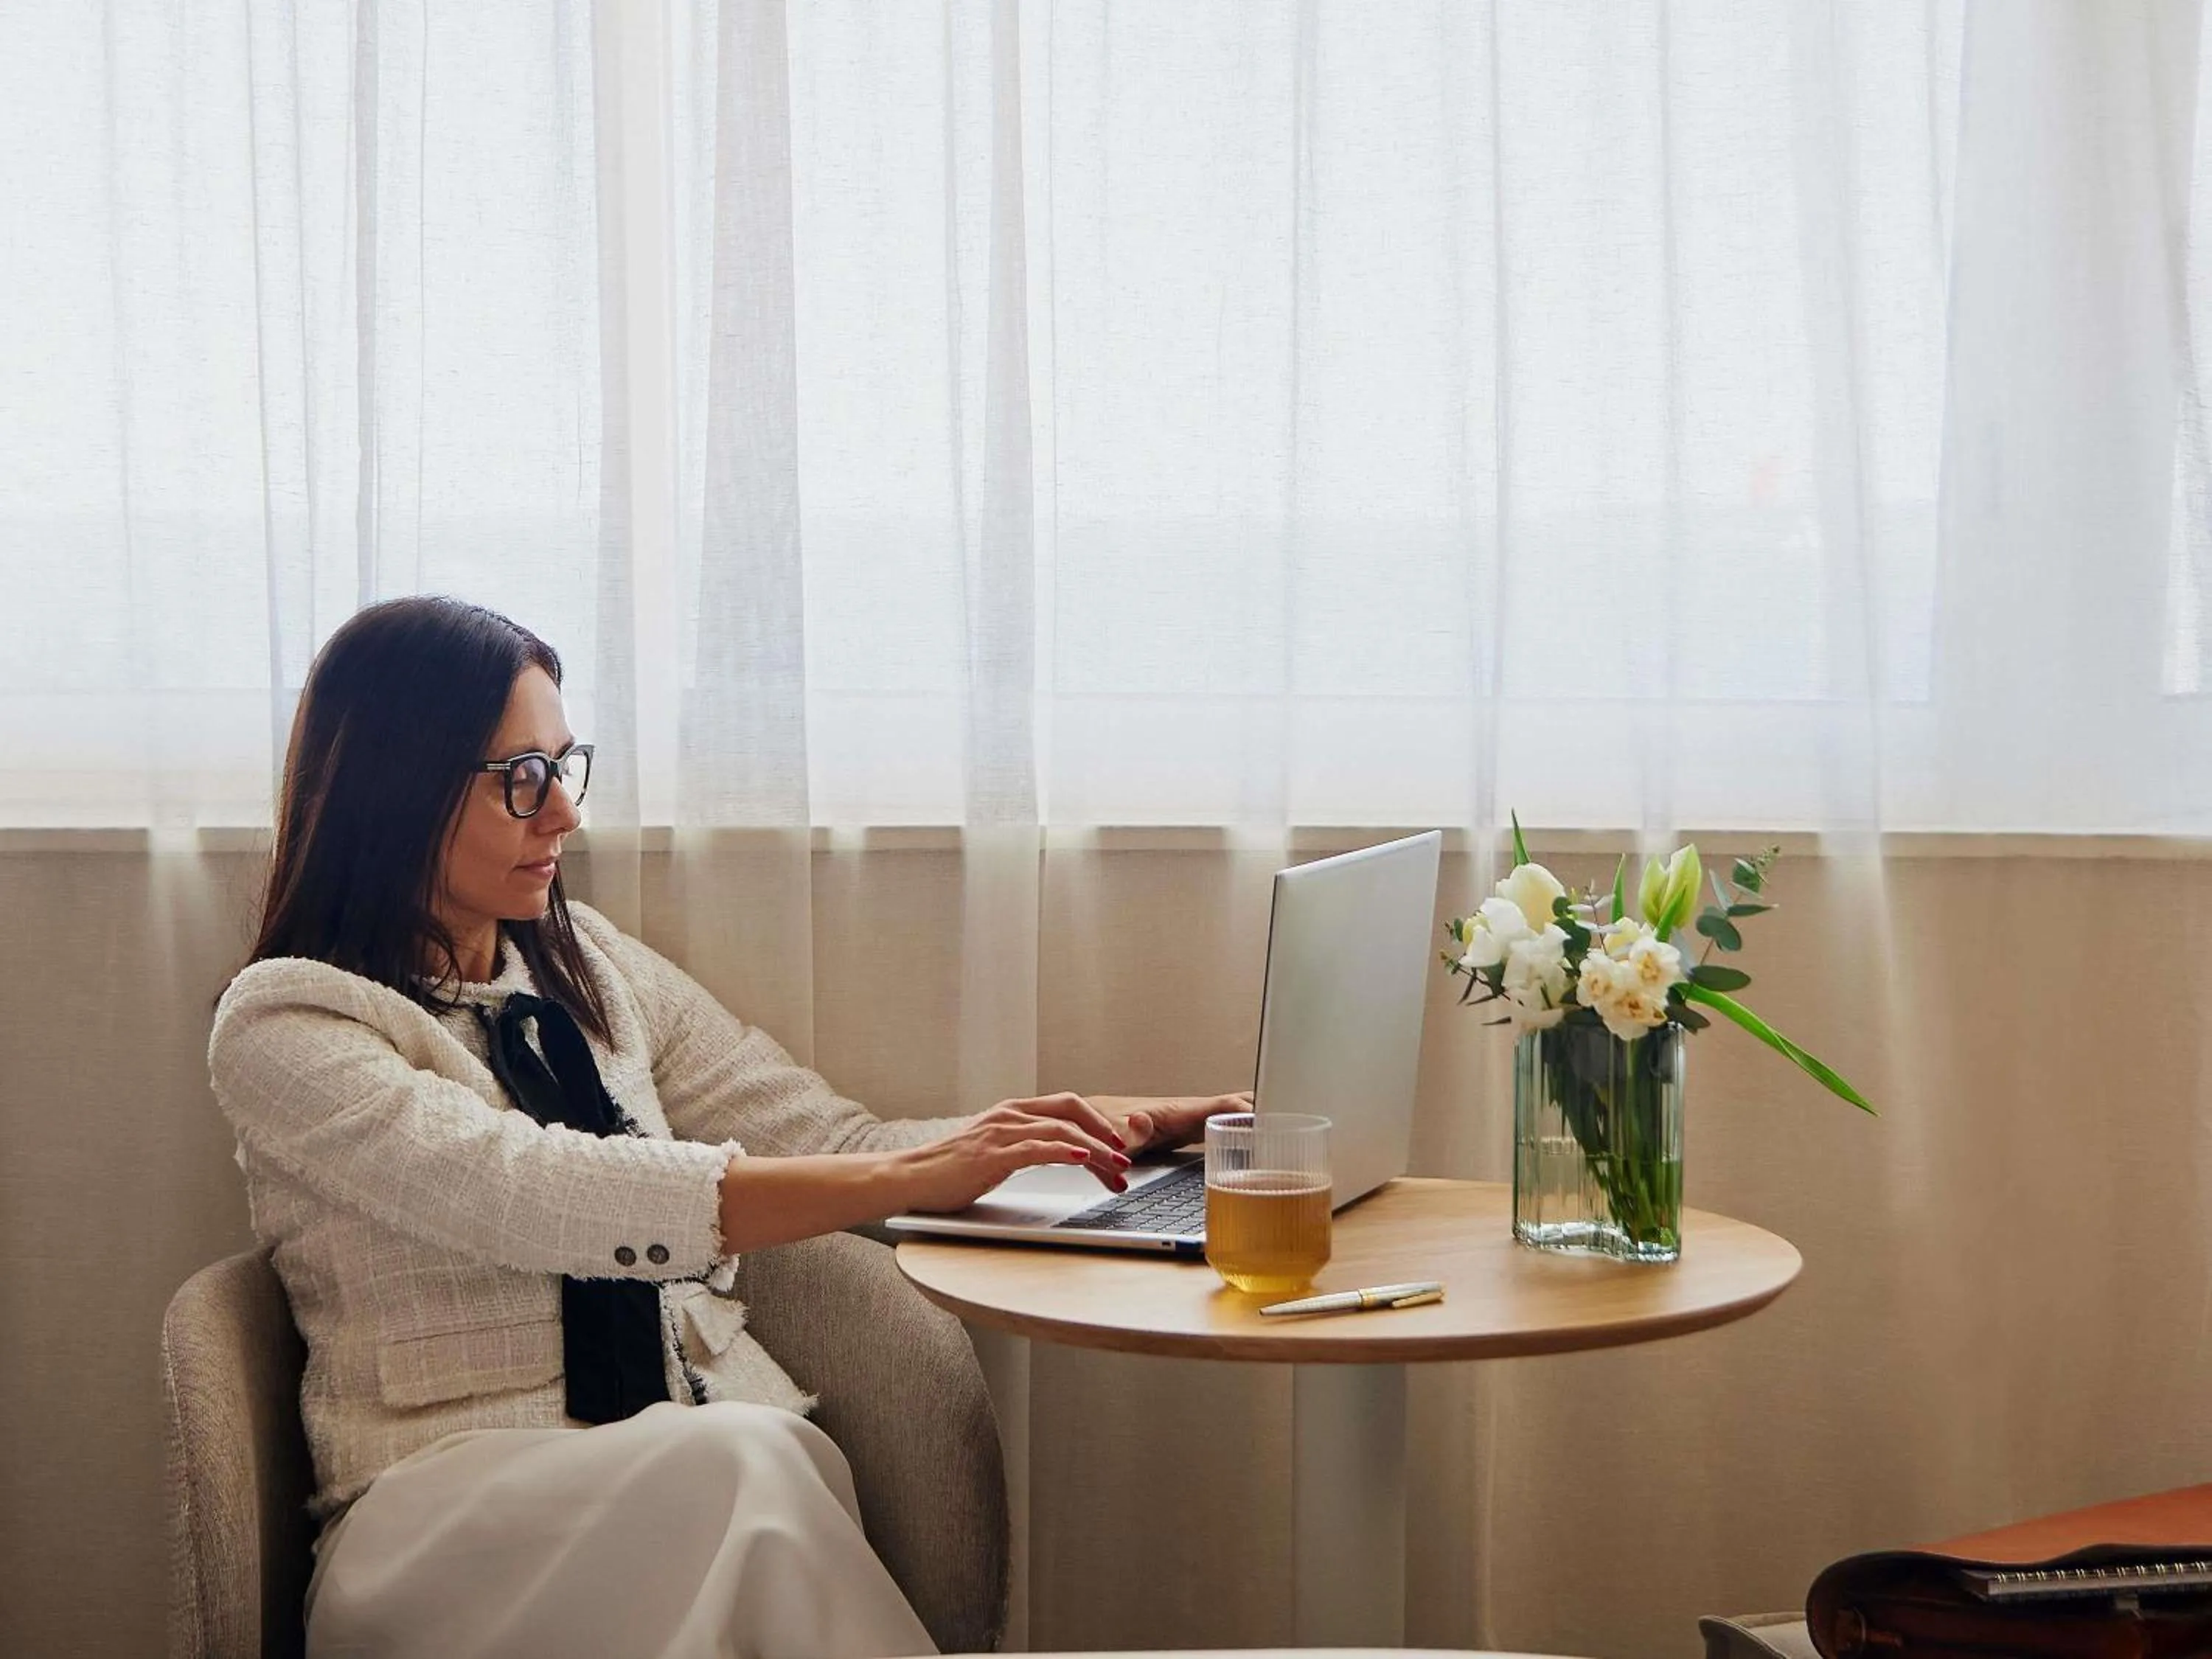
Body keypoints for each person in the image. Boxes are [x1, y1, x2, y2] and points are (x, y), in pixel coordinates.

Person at [208, 596, 1245, 1659]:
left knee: (763, 1464)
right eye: (522, 778)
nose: (561, 812)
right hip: (443, 1522)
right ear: (399, 788)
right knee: (749, 1468)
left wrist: (1083, 1128)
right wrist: (916, 1173)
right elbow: (536, 1189)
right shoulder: (288, 1024)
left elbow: (827, 1137)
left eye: (566, 767)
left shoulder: (589, 966)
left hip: (687, 1478)